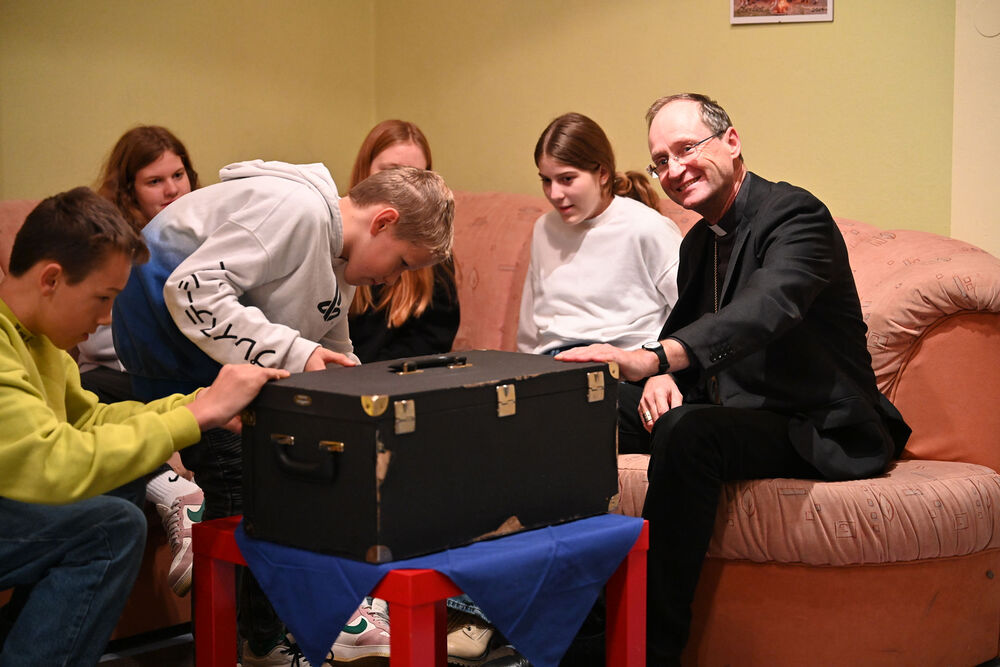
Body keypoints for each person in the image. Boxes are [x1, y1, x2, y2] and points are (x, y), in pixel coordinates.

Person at [556, 93, 910, 664]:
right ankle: (567, 619)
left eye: (686, 148)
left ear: (732, 141)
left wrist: (656, 359)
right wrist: (660, 378)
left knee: (688, 433)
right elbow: (687, 330)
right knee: (578, 409)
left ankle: (649, 649)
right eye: (661, 161)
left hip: (813, 423)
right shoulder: (701, 240)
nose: (675, 169)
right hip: (736, 413)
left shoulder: (796, 216)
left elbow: (767, 309)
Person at [111, 161, 454, 666]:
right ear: (383, 221)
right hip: (168, 341)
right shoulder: (298, 211)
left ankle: (266, 635)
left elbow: (331, 341)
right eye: (402, 263)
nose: (391, 280)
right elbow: (191, 290)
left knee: (284, 475)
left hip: (208, 352)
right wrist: (297, 354)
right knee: (241, 483)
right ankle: (246, 645)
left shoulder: (338, 260)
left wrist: (358, 400)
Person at [0, 187, 286, 666]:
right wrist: (196, 417)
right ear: (51, 278)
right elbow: (49, 462)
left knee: (124, 478)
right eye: (102, 297)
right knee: (110, 529)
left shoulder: (42, 343)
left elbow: (91, 420)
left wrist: (202, 402)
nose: (105, 318)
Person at [89, 125, 206, 597]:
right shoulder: (110, 243)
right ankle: (172, 489)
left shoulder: (207, 236)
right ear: (129, 191)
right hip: (126, 379)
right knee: (89, 390)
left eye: (178, 174)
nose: (172, 189)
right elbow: (96, 344)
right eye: (154, 181)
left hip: (191, 379)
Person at [517, 112, 682, 362]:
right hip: (553, 362)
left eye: (567, 179)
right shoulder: (544, 228)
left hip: (624, 363)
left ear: (602, 173)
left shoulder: (647, 228)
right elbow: (529, 330)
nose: (554, 193)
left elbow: (690, 315)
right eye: (546, 180)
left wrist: (663, 368)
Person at [348, 120, 460, 362]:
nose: (402, 189)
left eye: (415, 176)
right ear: (365, 171)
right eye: (391, 172)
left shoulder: (431, 255)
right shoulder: (334, 236)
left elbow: (432, 341)